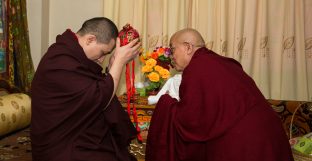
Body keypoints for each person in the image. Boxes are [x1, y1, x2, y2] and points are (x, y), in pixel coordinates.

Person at [145, 28, 294, 161]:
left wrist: (167, 103)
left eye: (172, 49)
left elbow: (191, 122)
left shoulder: (197, 68)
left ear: (188, 47)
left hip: (247, 144)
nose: (171, 56)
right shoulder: (221, 62)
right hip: (270, 137)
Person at [31, 17, 141, 161]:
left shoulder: (71, 54)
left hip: (75, 130)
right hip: (60, 143)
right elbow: (99, 97)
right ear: (90, 40)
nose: (102, 60)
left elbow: (91, 90)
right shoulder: (60, 60)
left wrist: (111, 68)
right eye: (103, 53)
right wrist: (119, 63)